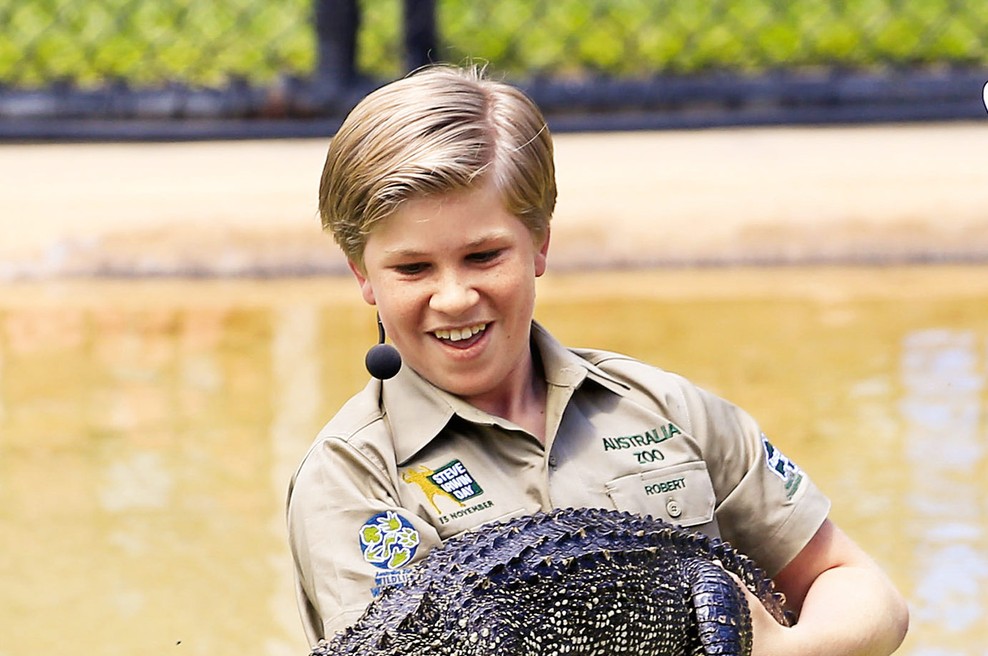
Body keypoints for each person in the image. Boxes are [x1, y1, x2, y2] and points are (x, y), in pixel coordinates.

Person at [287, 64, 909, 655]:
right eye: (413, 267)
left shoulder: (665, 407)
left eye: (483, 257)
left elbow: (861, 589)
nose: (454, 297)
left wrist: (785, 650)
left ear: (539, 243)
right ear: (363, 275)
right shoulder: (351, 475)